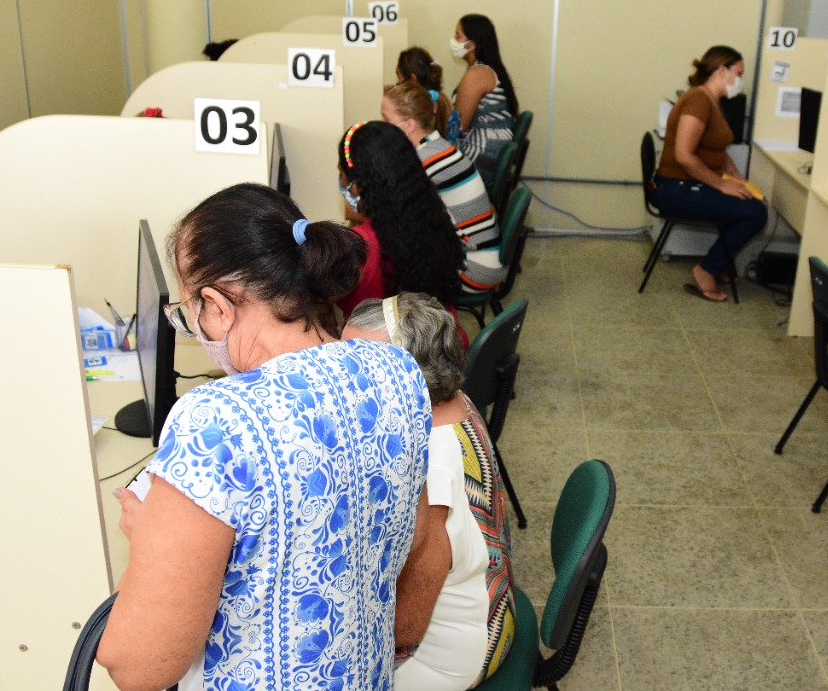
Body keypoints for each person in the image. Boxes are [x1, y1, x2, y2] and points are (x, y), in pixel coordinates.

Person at [96, 183, 433, 691]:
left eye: (190, 313)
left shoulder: (216, 422)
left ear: (217, 304)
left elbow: (139, 667)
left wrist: (151, 542)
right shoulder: (396, 371)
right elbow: (419, 552)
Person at [344, 293, 516, 691]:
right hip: (492, 602)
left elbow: (406, 626)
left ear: (407, 377)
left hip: (452, 656)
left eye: (356, 369)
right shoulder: (456, 401)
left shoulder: (430, 468)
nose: (342, 379)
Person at [652, 45, 768, 303]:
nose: (741, 80)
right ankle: (707, 269)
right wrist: (721, 185)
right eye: (739, 72)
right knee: (755, 213)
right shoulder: (698, 101)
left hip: (685, 185)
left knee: (750, 200)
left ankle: (721, 262)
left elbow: (715, 146)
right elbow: (684, 154)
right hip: (675, 189)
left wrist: (734, 175)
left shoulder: (711, 100)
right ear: (721, 70)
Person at [337, 120, 470, 343]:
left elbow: (315, 296)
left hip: (391, 361)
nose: (341, 182)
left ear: (359, 185)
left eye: (342, 175)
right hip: (439, 344)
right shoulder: (429, 217)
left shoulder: (358, 247)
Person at [382, 81, 505, 296]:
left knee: (386, 269)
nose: (382, 126)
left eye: (386, 119)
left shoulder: (426, 162)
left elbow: (394, 217)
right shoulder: (438, 146)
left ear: (409, 125)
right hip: (484, 257)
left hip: (475, 269)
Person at [449, 14, 518, 179]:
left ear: (472, 45)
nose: (453, 39)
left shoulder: (477, 74)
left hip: (480, 155)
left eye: (458, 35)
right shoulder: (487, 69)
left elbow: (456, 127)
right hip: (491, 153)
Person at [396, 46, 456, 138]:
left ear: (412, 80)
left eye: (399, 77)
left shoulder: (418, 108)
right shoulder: (442, 98)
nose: (398, 83)